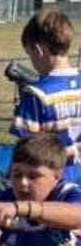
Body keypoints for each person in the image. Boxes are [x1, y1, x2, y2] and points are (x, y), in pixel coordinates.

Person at [11, 10, 81, 184]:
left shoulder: (36, 94)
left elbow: (26, 151)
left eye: (29, 54)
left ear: (37, 50)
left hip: (52, 186)